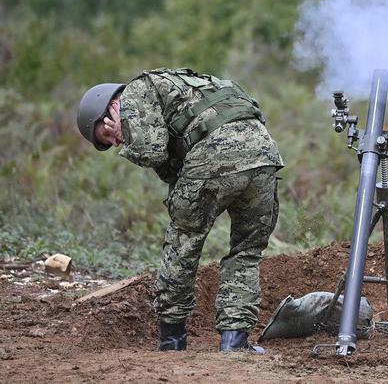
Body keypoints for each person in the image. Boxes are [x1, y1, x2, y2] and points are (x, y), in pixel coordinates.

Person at [76, 68, 283, 354]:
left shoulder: (135, 91)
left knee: (183, 242)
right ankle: (234, 343)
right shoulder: (184, 87)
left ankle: (172, 341)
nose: (116, 142)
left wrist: (127, 135)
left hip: (214, 153)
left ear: (112, 106)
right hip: (263, 154)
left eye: (109, 133)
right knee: (247, 251)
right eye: (110, 143)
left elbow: (152, 152)